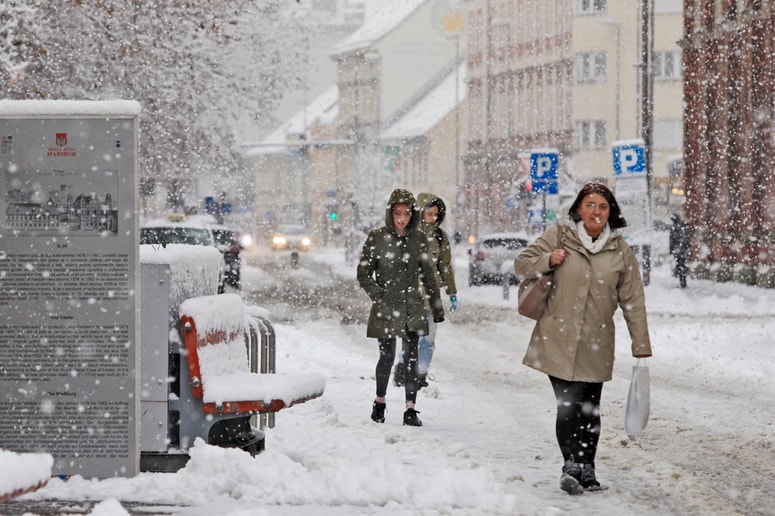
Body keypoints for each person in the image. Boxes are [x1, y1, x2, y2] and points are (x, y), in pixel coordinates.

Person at [514, 182, 652, 495]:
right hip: (557, 337)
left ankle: (588, 469)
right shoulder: (560, 236)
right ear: (579, 208)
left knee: (590, 407)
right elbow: (522, 263)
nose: (596, 212)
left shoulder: (620, 251)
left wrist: (640, 345)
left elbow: (633, 300)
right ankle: (571, 465)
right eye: (590, 205)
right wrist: (548, 260)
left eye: (602, 207)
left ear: (610, 213)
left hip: (597, 340)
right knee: (569, 405)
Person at [357, 188, 445, 427]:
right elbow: (363, 273)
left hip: (412, 307)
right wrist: (379, 295)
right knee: (386, 356)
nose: (402, 218)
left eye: (407, 213)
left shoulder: (418, 240)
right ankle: (380, 402)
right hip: (386, 306)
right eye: (398, 213)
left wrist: (436, 307)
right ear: (390, 213)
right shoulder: (377, 238)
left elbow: (428, 276)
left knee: (411, 358)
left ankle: (410, 409)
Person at [392, 193, 457, 389]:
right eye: (429, 213)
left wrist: (451, 292)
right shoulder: (406, 233)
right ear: (420, 213)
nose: (433, 218)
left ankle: (420, 375)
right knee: (410, 337)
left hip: (431, 296)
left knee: (428, 339)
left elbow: (444, 266)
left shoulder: (440, 236)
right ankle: (402, 372)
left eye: (436, 214)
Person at [669, 213, 690, 288]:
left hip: (678, 249)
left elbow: (672, 240)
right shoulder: (684, 226)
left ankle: (682, 281)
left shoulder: (675, 227)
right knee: (682, 264)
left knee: (680, 264)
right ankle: (683, 280)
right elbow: (687, 238)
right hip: (683, 249)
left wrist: (671, 249)